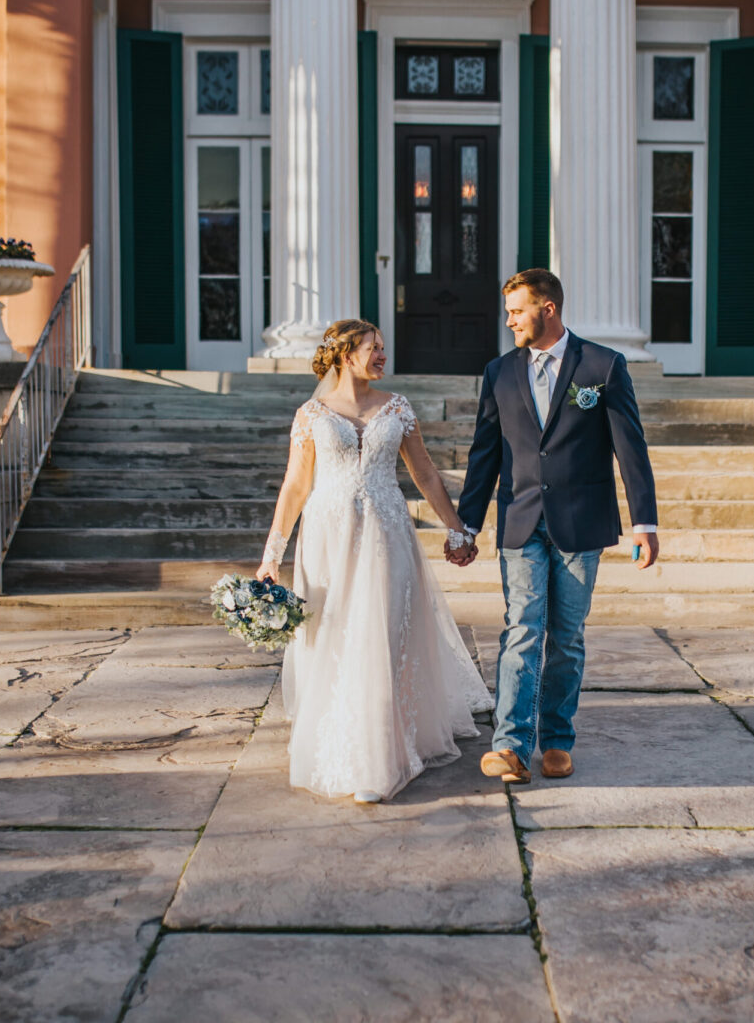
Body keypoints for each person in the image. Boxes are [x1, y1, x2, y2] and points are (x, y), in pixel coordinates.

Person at [257, 319, 492, 805]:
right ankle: (344, 742)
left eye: (384, 347)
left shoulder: (398, 409)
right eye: (373, 348)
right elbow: (295, 486)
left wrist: (456, 528)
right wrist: (271, 555)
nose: (383, 356)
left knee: (387, 633)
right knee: (338, 636)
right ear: (345, 354)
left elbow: (424, 472)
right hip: (329, 540)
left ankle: (385, 751)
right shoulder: (311, 414)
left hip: (388, 535)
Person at [447, 269, 658, 784]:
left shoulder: (603, 365)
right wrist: (466, 525)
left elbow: (630, 447)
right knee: (523, 629)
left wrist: (644, 522)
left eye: (517, 311)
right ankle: (511, 746)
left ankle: (557, 739)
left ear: (548, 309)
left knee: (566, 637)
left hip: (581, 525)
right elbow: (485, 454)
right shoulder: (499, 372)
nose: (509, 320)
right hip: (520, 521)